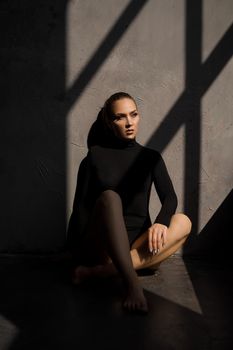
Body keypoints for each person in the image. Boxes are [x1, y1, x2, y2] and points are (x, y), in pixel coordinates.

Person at [67, 91, 192, 314]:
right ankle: (133, 284)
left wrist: (161, 222)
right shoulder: (94, 156)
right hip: (103, 246)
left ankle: (100, 272)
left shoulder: (151, 157)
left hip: (140, 246)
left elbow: (170, 197)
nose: (129, 123)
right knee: (109, 197)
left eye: (133, 115)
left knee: (183, 221)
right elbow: (80, 209)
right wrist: (73, 252)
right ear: (109, 121)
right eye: (120, 117)